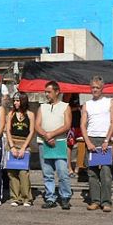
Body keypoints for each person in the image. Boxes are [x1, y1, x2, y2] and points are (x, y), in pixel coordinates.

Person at [81, 76, 113, 212]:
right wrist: (88, 142)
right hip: (91, 138)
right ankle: (95, 200)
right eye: (93, 88)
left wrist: (107, 140)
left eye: (97, 88)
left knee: (106, 172)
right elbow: (83, 125)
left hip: (104, 139)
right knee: (92, 173)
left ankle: (106, 201)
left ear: (102, 89)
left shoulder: (109, 102)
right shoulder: (87, 105)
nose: (94, 90)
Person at [35, 81, 72, 210]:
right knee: (47, 172)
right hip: (43, 142)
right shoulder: (42, 107)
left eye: (49, 92)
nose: (46, 94)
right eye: (45, 92)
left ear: (57, 92)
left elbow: (67, 125)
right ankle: (50, 197)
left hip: (59, 142)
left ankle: (65, 197)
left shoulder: (65, 106)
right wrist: (46, 135)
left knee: (62, 172)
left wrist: (52, 134)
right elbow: (37, 125)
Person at [6, 92, 35, 207]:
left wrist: (24, 147)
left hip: (24, 143)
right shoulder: (11, 114)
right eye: (14, 100)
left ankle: (26, 198)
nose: (15, 103)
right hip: (12, 142)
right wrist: (12, 146)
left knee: (23, 172)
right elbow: (8, 130)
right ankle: (15, 197)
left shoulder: (30, 114)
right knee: (12, 172)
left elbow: (31, 131)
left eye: (18, 100)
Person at [64, 93, 82, 178]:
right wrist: (76, 108)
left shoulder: (77, 93)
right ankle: (69, 168)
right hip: (71, 123)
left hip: (79, 121)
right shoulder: (68, 94)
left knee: (81, 144)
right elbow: (65, 106)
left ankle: (78, 167)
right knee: (69, 145)